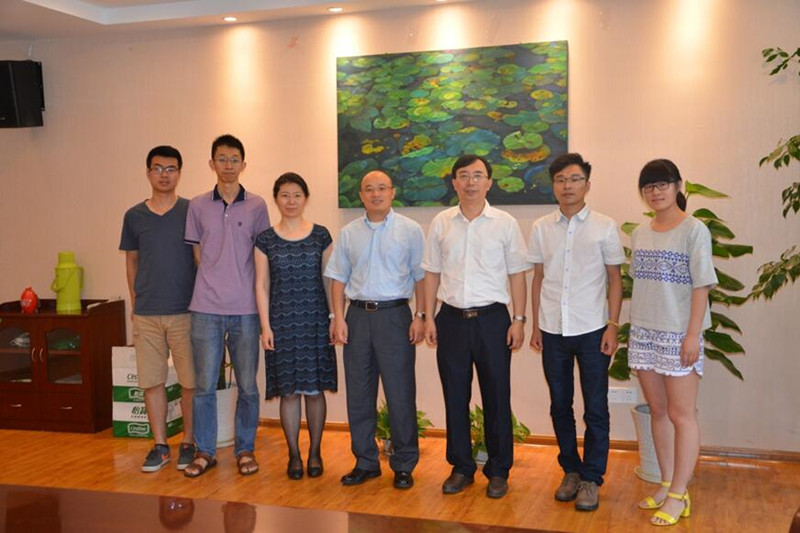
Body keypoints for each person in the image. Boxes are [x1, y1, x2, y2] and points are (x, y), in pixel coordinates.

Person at [423, 154, 530, 499]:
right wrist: (427, 316)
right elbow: (431, 273)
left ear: (489, 182)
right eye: (464, 175)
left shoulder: (505, 223)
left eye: (478, 175)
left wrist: (519, 320)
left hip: (493, 320)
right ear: (454, 182)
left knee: (497, 396)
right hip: (451, 319)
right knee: (455, 395)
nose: (471, 182)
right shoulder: (441, 222)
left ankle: (498, 470)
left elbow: (517, 275)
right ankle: (461, 467)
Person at [528, 153, 625, 511]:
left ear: (587, 184)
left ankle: (592, 478)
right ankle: (570, 470)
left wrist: (613, 326)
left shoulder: (604, 226)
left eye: (574, 179)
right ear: (553, 185)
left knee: (596, 407)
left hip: (592, 329)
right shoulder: (541, 228)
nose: (567, 186)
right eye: (560, 180)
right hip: (553, 328)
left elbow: (615, 279)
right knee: (559, 404)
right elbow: (538, 278)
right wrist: (536, 324)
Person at [628, 159, 717, 526]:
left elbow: (702, 286)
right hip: (644, 331)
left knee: (682, 414)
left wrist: (692, 335)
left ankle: (680, 494)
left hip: (679, 334)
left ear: (678, 185)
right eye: (648, 186)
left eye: (662, 184)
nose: (655, 191)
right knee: (658, 411)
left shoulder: (694, 230)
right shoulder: (640, 233)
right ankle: (667, 484)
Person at [325, 170, 426, 490]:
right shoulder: (349, 233)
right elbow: (338, 278)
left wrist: (421, 315)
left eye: (382, 188)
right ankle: (365, 462)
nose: (376, 194)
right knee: (359, 394)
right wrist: (337, 317)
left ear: (392, 192)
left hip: (395, 317)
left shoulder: (410, 230)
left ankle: (404, 464)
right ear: (361, 195)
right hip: (356, 317)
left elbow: (421, 276)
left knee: (400, 394)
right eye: (369, 189)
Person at [183, 134, 270, 477]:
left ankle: (245, 449)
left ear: (243, 165)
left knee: (247, 385)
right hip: (205, 307)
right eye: (222, 159)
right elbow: (197, 253)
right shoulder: (197, 205)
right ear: (212, 163)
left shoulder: (258, 206)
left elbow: (262, 257)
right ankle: (205, 451)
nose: (228, 165)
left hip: (246, 309)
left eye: (234, 159)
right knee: (205, 385)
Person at [119, 145, 197, 473]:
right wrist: (136, 303)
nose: (164, 175)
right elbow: (132, 262)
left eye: (171, 168)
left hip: (186, 311)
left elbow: (200, 260)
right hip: (147, 314)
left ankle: (189, 442)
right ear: (148, 172)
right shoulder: (134, 216)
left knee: (191, 382)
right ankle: (161, 445)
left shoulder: (192, 211)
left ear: (180, 172)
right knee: (152, 382)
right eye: (158, 168)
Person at [254, 172, 336, 480]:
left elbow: (330, 281)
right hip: (282, 323)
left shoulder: (321, 235)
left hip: (316, 321)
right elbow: (261, 285)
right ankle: (293, 454)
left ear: (306, 198)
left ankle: (315, 452)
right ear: (276, 199)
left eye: (297, 195)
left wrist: (334, 317)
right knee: (288, 393)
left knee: (314, 391)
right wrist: (265, 326)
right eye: (285, 195)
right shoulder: (265, 239)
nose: (291, 201)